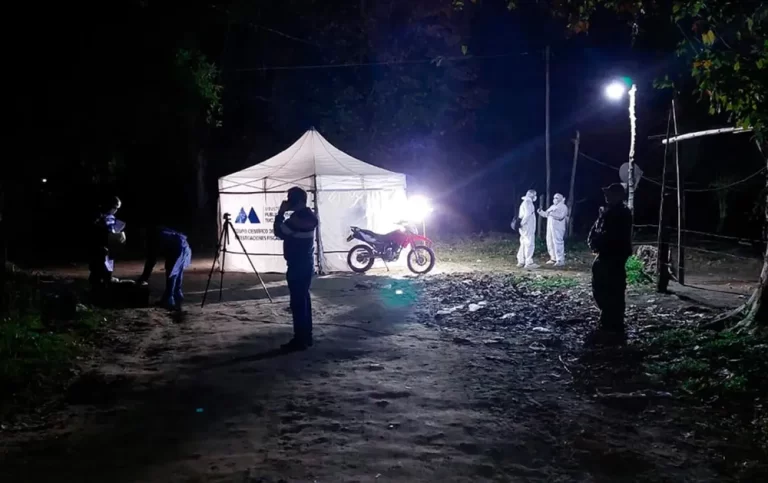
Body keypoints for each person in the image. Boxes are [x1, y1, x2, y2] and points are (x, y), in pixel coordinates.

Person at [274, 187, 319, 351]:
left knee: (298, 302)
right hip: (306, 263)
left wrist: (280, 213)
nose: (288, 201)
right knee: (304, 299)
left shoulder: (297, 219)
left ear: (297, 201)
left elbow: (279, 231)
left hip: (297, 265)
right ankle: (307, 337)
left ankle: (300, 340)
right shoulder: (310, 216)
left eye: (290, 198)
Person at [587, 183, 633, 333]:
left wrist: (598, 242)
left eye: (610, 194)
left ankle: (613, 321)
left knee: (612, 287)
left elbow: (612, 235)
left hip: (614, 255)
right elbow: (596, 229)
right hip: (605, 254)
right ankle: (608, 317)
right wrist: (593, 241)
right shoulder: (607, 211)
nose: (606, 196)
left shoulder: (621, 212)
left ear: (618, 196)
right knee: (601, 285)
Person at [137, 225, 192, 311]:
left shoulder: (153, 239)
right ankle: (177, 294)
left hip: (178, 247)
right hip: (184, 245)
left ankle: (169, 299)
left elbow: (151, 261)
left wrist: (143, 279)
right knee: (178, 271)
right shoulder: (158, 232)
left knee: (172, 272)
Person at [88, 196, 124, 290]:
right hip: (99, 244)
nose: (115, 210)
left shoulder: (111, 217)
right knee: (98, 263)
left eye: (117, 208)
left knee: (109, 262)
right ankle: (96, 282)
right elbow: (95, 231)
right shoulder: (98, 216)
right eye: (115, 208)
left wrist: (118, 233)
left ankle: (106, 278)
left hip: (108, 244)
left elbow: (112, 228)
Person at [538, 193, 569, 267]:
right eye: (554, 197)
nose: (555, 199)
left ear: (561, 198)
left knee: (558, 242)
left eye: (557, 198)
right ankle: (553, 258)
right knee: (550, 242)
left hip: (558, 228)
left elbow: (561, 216)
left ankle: (560, 260)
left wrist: (551, 214)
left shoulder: (563, 207)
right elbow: (546, 214)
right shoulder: (552, 206)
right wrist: (541, 212)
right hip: (550, 227)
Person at [517, 189, 538, 269]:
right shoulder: (528, 203)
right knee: (529, 244)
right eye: (535, 195)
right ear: (532, 195)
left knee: (523, 243)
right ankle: (528, 262)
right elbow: (527, 215)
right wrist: (522, 223)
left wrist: (521, 224)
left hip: (524, 227)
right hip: (528, 226)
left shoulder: (524, 202)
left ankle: (521, 261)